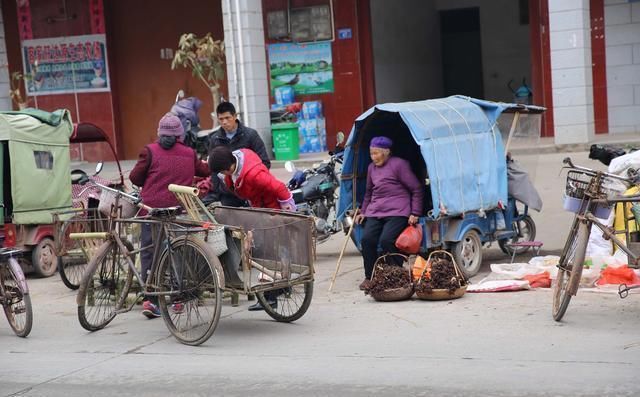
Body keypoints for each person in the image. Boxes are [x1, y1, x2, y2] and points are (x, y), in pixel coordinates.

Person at [129, 113, 210, 318]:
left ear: (160, 132)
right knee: (177, 252)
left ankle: (151, 300)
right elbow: (203, 170)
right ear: (179, 135)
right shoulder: (189, 153)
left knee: (149, 252)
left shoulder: (149, 151)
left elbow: (135, 178)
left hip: (152, 210)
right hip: (178, 211)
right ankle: (178, 299)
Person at [208, 145, 296, 311]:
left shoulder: (254, 175)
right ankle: (276, 292)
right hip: (259, 209)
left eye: (223, 171)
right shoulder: (234, 170)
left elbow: (279, 188)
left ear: (229, 167)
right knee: (265, 251)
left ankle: (272, 296)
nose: (223, 175)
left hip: (271, 211)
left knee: (266, 253)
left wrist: (289, 211)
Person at [355, 136, 424, 291]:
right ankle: (369, 277)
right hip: (376, 210)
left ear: (386, 153)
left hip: (398, 210)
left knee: (387, 240)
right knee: (367, 240)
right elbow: (368, 192)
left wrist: (415, 212)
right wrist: (364, 211)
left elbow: (416, 188)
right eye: (371, 154)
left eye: (376, 153)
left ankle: (397, 274)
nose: (373, 157)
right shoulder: (371, 168)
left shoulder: (399, 165)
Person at [204, 101, 270, 206]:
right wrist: (219, 189)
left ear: (235, 116)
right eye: (221, 119)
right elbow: (213, 169)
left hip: (251, 191)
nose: (225, 122)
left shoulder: (250, 135)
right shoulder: (214, 139)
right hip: (227, 194)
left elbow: (265, 162)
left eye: (227, 118)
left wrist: (252, 182)